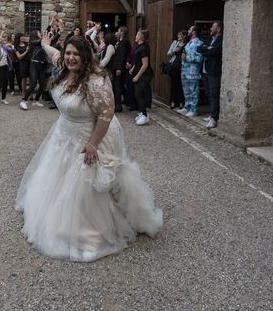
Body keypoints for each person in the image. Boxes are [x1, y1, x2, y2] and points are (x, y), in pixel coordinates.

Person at [15, 34, 163, 262]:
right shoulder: (61, 64)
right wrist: (45, 43)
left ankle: (86, 230)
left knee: (87, 187)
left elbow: (106, 113)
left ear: (85, 56)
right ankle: (54, 217)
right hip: (63, 135)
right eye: (68, 53)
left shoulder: (95, 80)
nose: (70, 58)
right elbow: (53, 52)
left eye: (75, 54)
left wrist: (93, 144)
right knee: (56, 179)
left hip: (88, 136)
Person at [197, 22, 223, 129]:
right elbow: (199, 49)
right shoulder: (210, 39)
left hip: (213, 71)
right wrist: (207, 49)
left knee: (214, 94)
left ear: (219, 29)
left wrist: (207, 49)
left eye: (213, 27)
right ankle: (211, 114)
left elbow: (216, 51)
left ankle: (214, 118)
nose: (211, 28)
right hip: (205, 70)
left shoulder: (221, 39)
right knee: (208, 93)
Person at [178, 26, 203, 117]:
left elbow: (200, 58)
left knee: (194, 90)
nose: (188, 31)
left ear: (194, 32)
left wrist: (187, 57)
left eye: (189, 29)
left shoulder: (199, 43)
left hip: (193, 72)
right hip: (185, 71)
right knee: (186, 90)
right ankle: (187, 107)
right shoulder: (188, 43)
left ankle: (193, 109)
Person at [19, 30, 48, 110]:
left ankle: (36, 100)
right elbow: (42, 39)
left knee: (42, 84)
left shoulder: (40, 42)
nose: (40, 33)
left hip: (41, 65)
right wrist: (47, 31)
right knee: (33, 84)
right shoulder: (32, 41)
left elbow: (46, 39)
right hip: (34, 65)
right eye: (39, 32)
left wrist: (52, 27)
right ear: (35, 34)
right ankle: (23, 101)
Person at [131, 29, 154, 125]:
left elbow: (145, 64)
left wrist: (137, 76)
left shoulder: (143, 48)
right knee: (138, 93)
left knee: (139, 94)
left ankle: (144, 115)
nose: (136, 36)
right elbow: (138, 61)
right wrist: (133, 68)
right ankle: (141, 112)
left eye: (137, 34)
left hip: (145, 74)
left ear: (142, 37)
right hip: (139, 72)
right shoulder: (139, 47)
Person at [166, 30, 187, 110]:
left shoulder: (187, 44)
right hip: (174, 66)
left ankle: (182, 102)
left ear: (184, 36)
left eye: (179, 35)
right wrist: (174, 51)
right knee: (173, 84)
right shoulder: (175, 43)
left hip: (183, 67)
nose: (178, 36)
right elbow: (168, 53)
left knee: (181, 85)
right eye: (178, 34)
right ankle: (172, 102)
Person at [112, 26, 130, 113]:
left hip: (120, 68)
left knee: (117, 86)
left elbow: (122, 56)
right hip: (116, 67)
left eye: (118, 31)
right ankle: (126, 100)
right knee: (119, 86)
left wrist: (119, 68)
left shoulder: (124, 42)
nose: (117, 32)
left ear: (122, 32)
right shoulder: (119, 42)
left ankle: (118, 106)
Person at [15, 34, 30, 98]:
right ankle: (23, 92)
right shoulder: (16, 47)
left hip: (30, 63)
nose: (23, 38)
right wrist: (27, 50)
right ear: (18, 38)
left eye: (23, 36)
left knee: (31, 78)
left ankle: (30, 94)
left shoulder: (27, 44)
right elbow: (19, 57)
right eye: (21, 37)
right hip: (23, 63)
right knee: (24, 79)